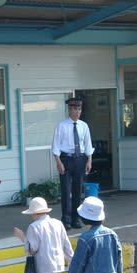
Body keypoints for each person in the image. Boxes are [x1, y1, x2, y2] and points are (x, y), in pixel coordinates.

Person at [51, 96, 94, 230]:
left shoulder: (83, 126)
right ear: (69, 110)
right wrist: (59, 162)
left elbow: (88, 144)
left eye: (79, 109)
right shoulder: (62, 125)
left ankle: (76, 218)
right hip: (66, 159)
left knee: (77, 190)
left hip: (79, 159)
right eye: (75, 109)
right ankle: (66, 219)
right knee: (66, 190)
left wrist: (89, 161)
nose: (77, 112)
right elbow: (56, 146)